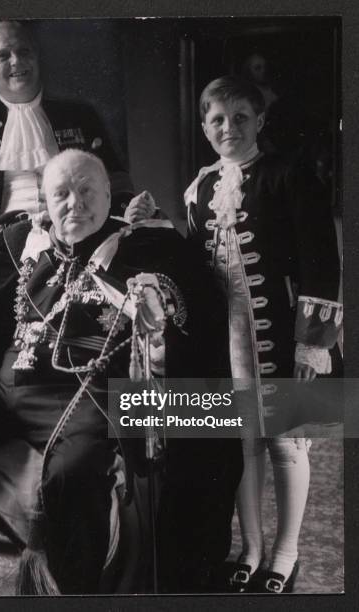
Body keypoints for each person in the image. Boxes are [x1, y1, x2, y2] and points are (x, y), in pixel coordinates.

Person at [0, 149, 242, 595]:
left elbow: (179, 308)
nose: (74, 203)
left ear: (109, 195)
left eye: (86, 190)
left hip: (86, 400)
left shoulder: (142, 245)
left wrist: (156, 305)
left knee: (72, 476)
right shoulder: (22, 246)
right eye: (61, 194)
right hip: (5, 388)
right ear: (44, 200)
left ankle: (72, 593)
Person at [128, 75, 342, 593]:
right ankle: (250, 547)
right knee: (242, 445)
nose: (229, 128)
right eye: (218, 119)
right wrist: (154, 222)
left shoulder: (290, 176)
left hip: (281, 334)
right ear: (204, 127)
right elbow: (194, 262)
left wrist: (312, 343)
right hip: (221, 339)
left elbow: (320, 261)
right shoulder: (201, 187)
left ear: (260, 121)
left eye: (241, 117)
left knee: (286, 445)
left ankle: (285, 554)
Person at [0, 20, 134, 269]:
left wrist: (127, 219)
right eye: (3, 56)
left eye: (24, 51)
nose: (16, 61)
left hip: (78, 252)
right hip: (1, 261)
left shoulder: (80, 116)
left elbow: (115, 182)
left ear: (37, 57)